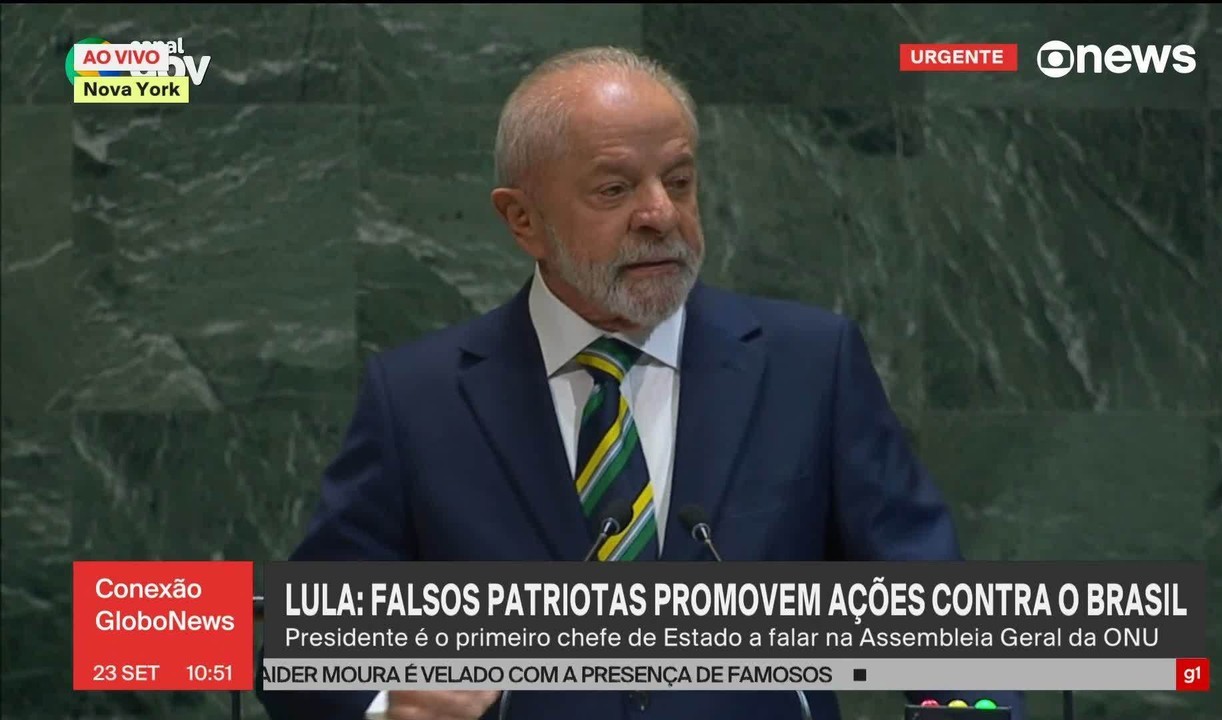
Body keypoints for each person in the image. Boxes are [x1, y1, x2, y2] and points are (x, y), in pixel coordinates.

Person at [256, 46, 1024, 720]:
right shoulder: (418, 398)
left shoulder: (809, 365)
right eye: (614, 190)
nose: (660, 214)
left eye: (679, 181)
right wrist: (389, 704)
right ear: (523, 220)